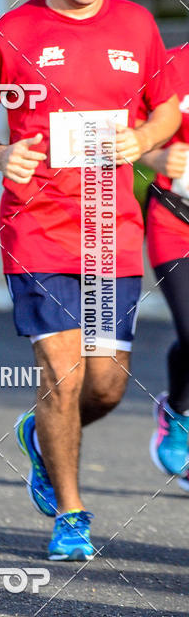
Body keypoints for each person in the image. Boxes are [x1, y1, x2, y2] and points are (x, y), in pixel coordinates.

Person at [0, 0, 180, 560]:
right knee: (62, 372)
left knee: (105, 384)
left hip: (110, 231)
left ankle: (40, 436)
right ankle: (72, 515)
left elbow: (168, 109)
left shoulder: (138, 26)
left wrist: (141, 135)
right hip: (39, 228)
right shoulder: (14, 32)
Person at [140, 45, 189, 484]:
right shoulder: (170, 64)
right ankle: (178, 409)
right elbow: (127, 131)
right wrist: (154, 156)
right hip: (176, 219)